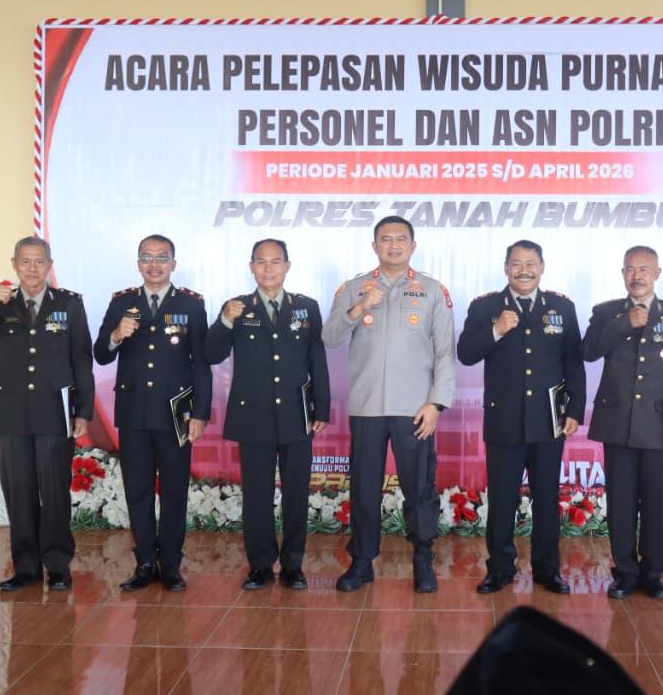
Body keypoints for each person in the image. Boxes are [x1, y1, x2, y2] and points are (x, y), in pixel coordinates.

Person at [322, 216, 456, 593]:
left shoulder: (432, 290)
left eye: (401, 239)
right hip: (367, 406)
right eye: (385, 239)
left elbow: (445, 352)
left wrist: (436, 404)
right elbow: (329, 337)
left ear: (412, 246)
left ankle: (422, 560)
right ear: (374, 246)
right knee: (364, 488)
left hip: (415, 409)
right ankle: (362, 562)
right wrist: (359, 307)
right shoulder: (353, 288)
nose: (393, 245)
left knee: (419, 487)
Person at [0, 236, 93, 591]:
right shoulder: (0, 304)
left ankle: (58, 566)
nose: (33, 269)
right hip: (11, 412)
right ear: (14, 264)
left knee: (55, 491)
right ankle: (26, 567)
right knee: (19, 492)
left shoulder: (69, 304)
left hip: (53, 411)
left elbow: (82, 360)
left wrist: (82, 411)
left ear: (50, 265)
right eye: (26, 261)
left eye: (39, 261)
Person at [457, 239, 585, 595]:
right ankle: (500, 569)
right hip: (504, 422)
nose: (524, 270)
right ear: (505, 268)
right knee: (502, 500)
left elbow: (573, 361)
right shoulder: (485, 307)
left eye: (530, 264)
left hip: (548, 421)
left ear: (542, 267)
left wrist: (574, 409)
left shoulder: (561, 306)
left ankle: (547, 570)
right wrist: (496, 330)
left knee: (546, 498)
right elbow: (465, 353)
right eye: (516, 263)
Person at [206, 238, 330, 590]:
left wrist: (321, 407)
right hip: (253, 416)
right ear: (251, 267)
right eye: (261, 261)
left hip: (296, 413)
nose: (268, 268)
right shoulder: (237, 307)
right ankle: (260, 565)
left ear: (287, 266)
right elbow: (211, 354)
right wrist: (224, 321)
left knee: (296, 494)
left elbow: (317, 359)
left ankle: (293, 565)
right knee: (257, 495)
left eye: (276, 261)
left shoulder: (306, 307)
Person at [93, 234, 211, 592]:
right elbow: (101, 354)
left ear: (173, 264)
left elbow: (201, 364)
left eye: (162, 258)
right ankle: (145, 562)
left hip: (176, 413)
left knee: (175, 490)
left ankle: (171, 564)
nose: (154, 264)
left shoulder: (191, 304)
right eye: (147, 257)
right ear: (138, 263)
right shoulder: (122, 302)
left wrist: (200, 414)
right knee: (138, 489)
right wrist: (116, 334)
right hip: (134, 412)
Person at [582, 245, 663, 600]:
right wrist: (623, 324)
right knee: (621, 501)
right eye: (630, 269)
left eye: (644, 269)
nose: (637, 275)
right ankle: (625, 572)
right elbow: (588, 351)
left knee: (656, 501)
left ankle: (654, 573)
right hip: (617, 422)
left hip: (660, 423)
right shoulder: (606, 313)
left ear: (657, 273)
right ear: (622, 274)